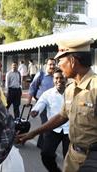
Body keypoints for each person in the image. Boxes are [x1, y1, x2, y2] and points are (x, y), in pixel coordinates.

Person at [17, 38, 96, 172]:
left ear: (72, 61)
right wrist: (33, 133)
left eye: (60, 60)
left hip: (92, 160)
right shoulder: (70, 88)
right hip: (73, 157)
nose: (58, 65)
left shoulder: (95, 88)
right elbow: (61, 116)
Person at [29, 68, 69, 172]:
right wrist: (35, 111)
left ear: (66, 79)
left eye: (61, 78)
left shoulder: (72, 93)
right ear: (53, 80)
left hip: (69, 130)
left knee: (69, 159)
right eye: (56, 78)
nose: (59, 80)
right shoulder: (48, 94)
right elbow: (40, 104)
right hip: (53, 129)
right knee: (46, 154)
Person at [26, 57, 56, 149]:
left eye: (54, 64)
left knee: (48, 124)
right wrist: (29, 101)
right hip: (42, 104)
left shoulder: (57, 76)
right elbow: (32, 87)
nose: (52, 66)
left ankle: (40, 143)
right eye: (50, 64)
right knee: (46, 123)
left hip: (53, 104)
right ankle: (46, 147)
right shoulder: (41, 75)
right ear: (46, 65)